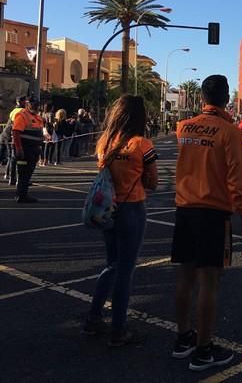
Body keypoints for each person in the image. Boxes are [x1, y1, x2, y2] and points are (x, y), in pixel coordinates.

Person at [171, 75, 242, 372]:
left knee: (185, 276)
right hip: (213, 211)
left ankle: (183, 338)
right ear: (226, 97)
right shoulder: (229, 132)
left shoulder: (185, 127)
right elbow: (238, 178)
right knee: (209, 282)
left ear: (203, 97)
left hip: (185, 208)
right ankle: (203, 350)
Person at [84, 95, 159, 345]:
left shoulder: (104, 142)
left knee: (112, 263)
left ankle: (94, 316)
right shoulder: (142, 144)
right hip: (132, 208)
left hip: (108, 207)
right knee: (125, 269)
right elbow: (154, 182)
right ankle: (118, 329)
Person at [12, 96, 44, 203]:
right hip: (24, 149)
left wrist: (39, 148)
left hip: (34, 149)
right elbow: (16, 132)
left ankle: (22, 194)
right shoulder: (22, 116)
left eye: (37, 105)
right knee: (23, 173)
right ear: (28, 104)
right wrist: (19, 149)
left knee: (29, 172)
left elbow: (39, 133)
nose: (35, 106)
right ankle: (21, 195)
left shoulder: (38, 117)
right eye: (33, 104)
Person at [4, 96, 27, 185]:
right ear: (21, 102)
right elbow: (16, 126)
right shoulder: (21, 111)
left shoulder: (13, 110)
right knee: (17, 158)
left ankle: (9, 176)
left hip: (7, 136)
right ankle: (15, 178)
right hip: (12, 136)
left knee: (11, 158)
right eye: (25, 101)